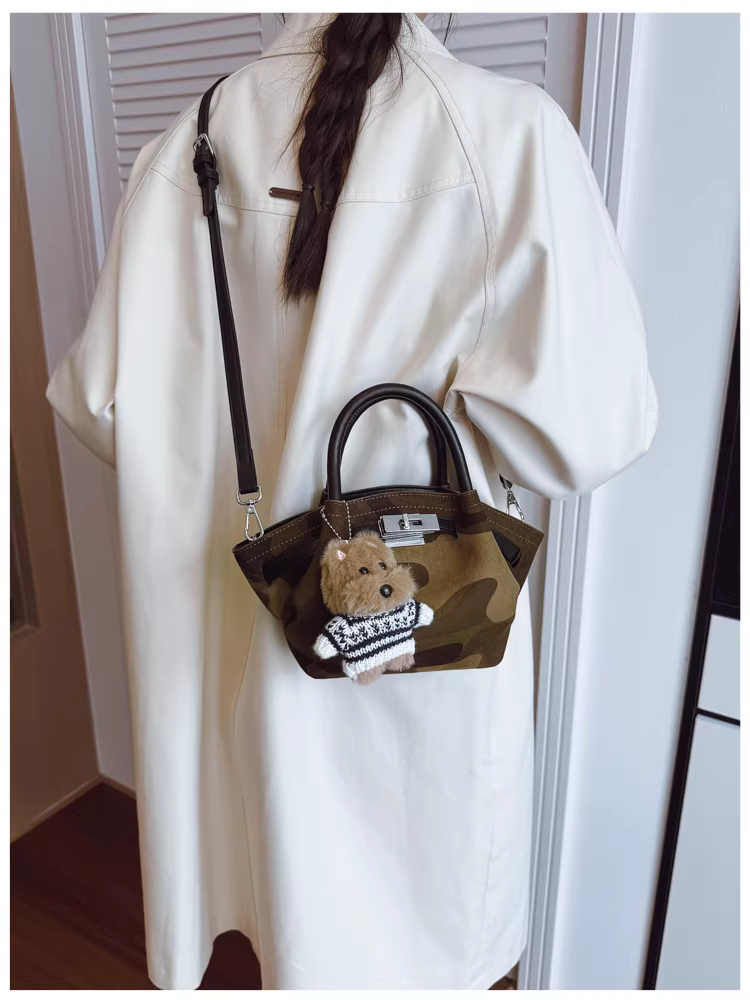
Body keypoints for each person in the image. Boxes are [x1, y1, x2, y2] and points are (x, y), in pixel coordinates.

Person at [46, 12, 658, 990]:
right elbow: (591, 432)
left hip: (227, 651)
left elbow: (98, 403)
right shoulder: (507, 136)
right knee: (405, 938)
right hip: (414, 691)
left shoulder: (182, 150)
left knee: (272, 903)